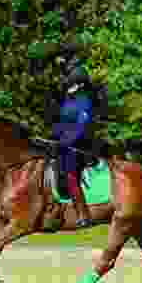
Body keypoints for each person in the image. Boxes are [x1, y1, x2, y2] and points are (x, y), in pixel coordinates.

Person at [46, 42, 109, 229]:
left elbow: (82, 126)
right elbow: (62, 123)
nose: (69, 88)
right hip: (65, 143)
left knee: (70, 172)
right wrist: (53, 137)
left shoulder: (84, 101)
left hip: (81, 143)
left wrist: (65, 141)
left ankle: (83, 214)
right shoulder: (68, 102)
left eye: (71, 86)